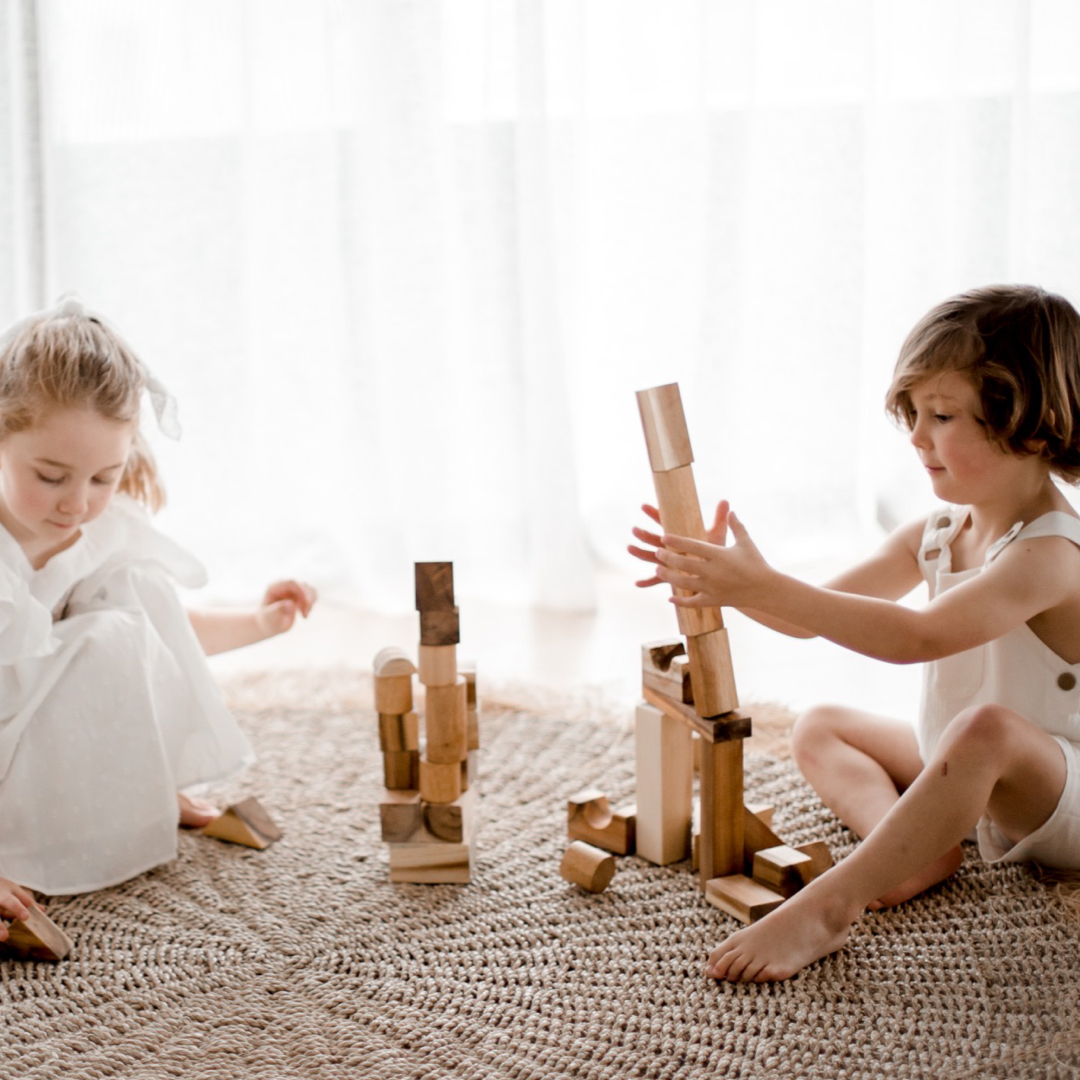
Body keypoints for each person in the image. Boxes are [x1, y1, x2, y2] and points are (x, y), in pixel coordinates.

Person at [629, 284, 1080, 982]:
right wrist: (730, 580)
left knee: (984, 730)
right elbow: (809, 617)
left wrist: (759, 585)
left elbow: (917, 637)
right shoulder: (937, 534)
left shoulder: (1050, 555)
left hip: (1060, 787)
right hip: (968, 767)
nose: (917, 437)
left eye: (942, 415)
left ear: (1030, 423)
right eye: (913, 414)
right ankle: (914, 850)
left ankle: (832, 907)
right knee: (820, 724)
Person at [0, 297, 316, 940]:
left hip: (32, 721)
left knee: (133, 595)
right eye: (51, 476)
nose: (76, 504)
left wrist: (260, 622)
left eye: (102, 478)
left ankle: (132, 790)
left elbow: (165, 631)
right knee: (103, 630)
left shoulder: (98, 527)